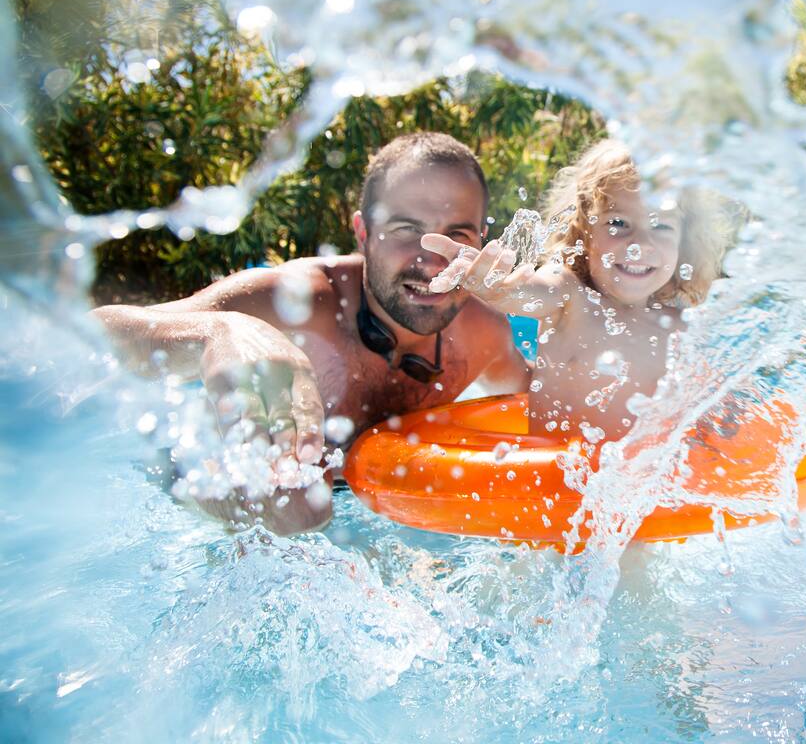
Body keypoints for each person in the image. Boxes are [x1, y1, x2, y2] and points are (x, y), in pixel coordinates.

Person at [94, 132, 531, 534]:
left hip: (370, 520)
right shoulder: (295, 303)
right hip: (202, 507)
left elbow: (546, 402)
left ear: (481, 239)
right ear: (363, 233)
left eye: (456, 234)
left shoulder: (484, 332)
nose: (433, 261)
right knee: (297, 504)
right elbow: (99, 333)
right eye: (407, 230)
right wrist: (219, 332)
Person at [422, 139, 734, 441]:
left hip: (629, 487)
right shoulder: (571, 294)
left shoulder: (681, 328)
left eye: (661, 227)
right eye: (618, 223)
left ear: (685, 241)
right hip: (552, 482)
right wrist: (497, 289)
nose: (639, 244)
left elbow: (703, 418)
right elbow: (532, 292)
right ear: (584, 230)